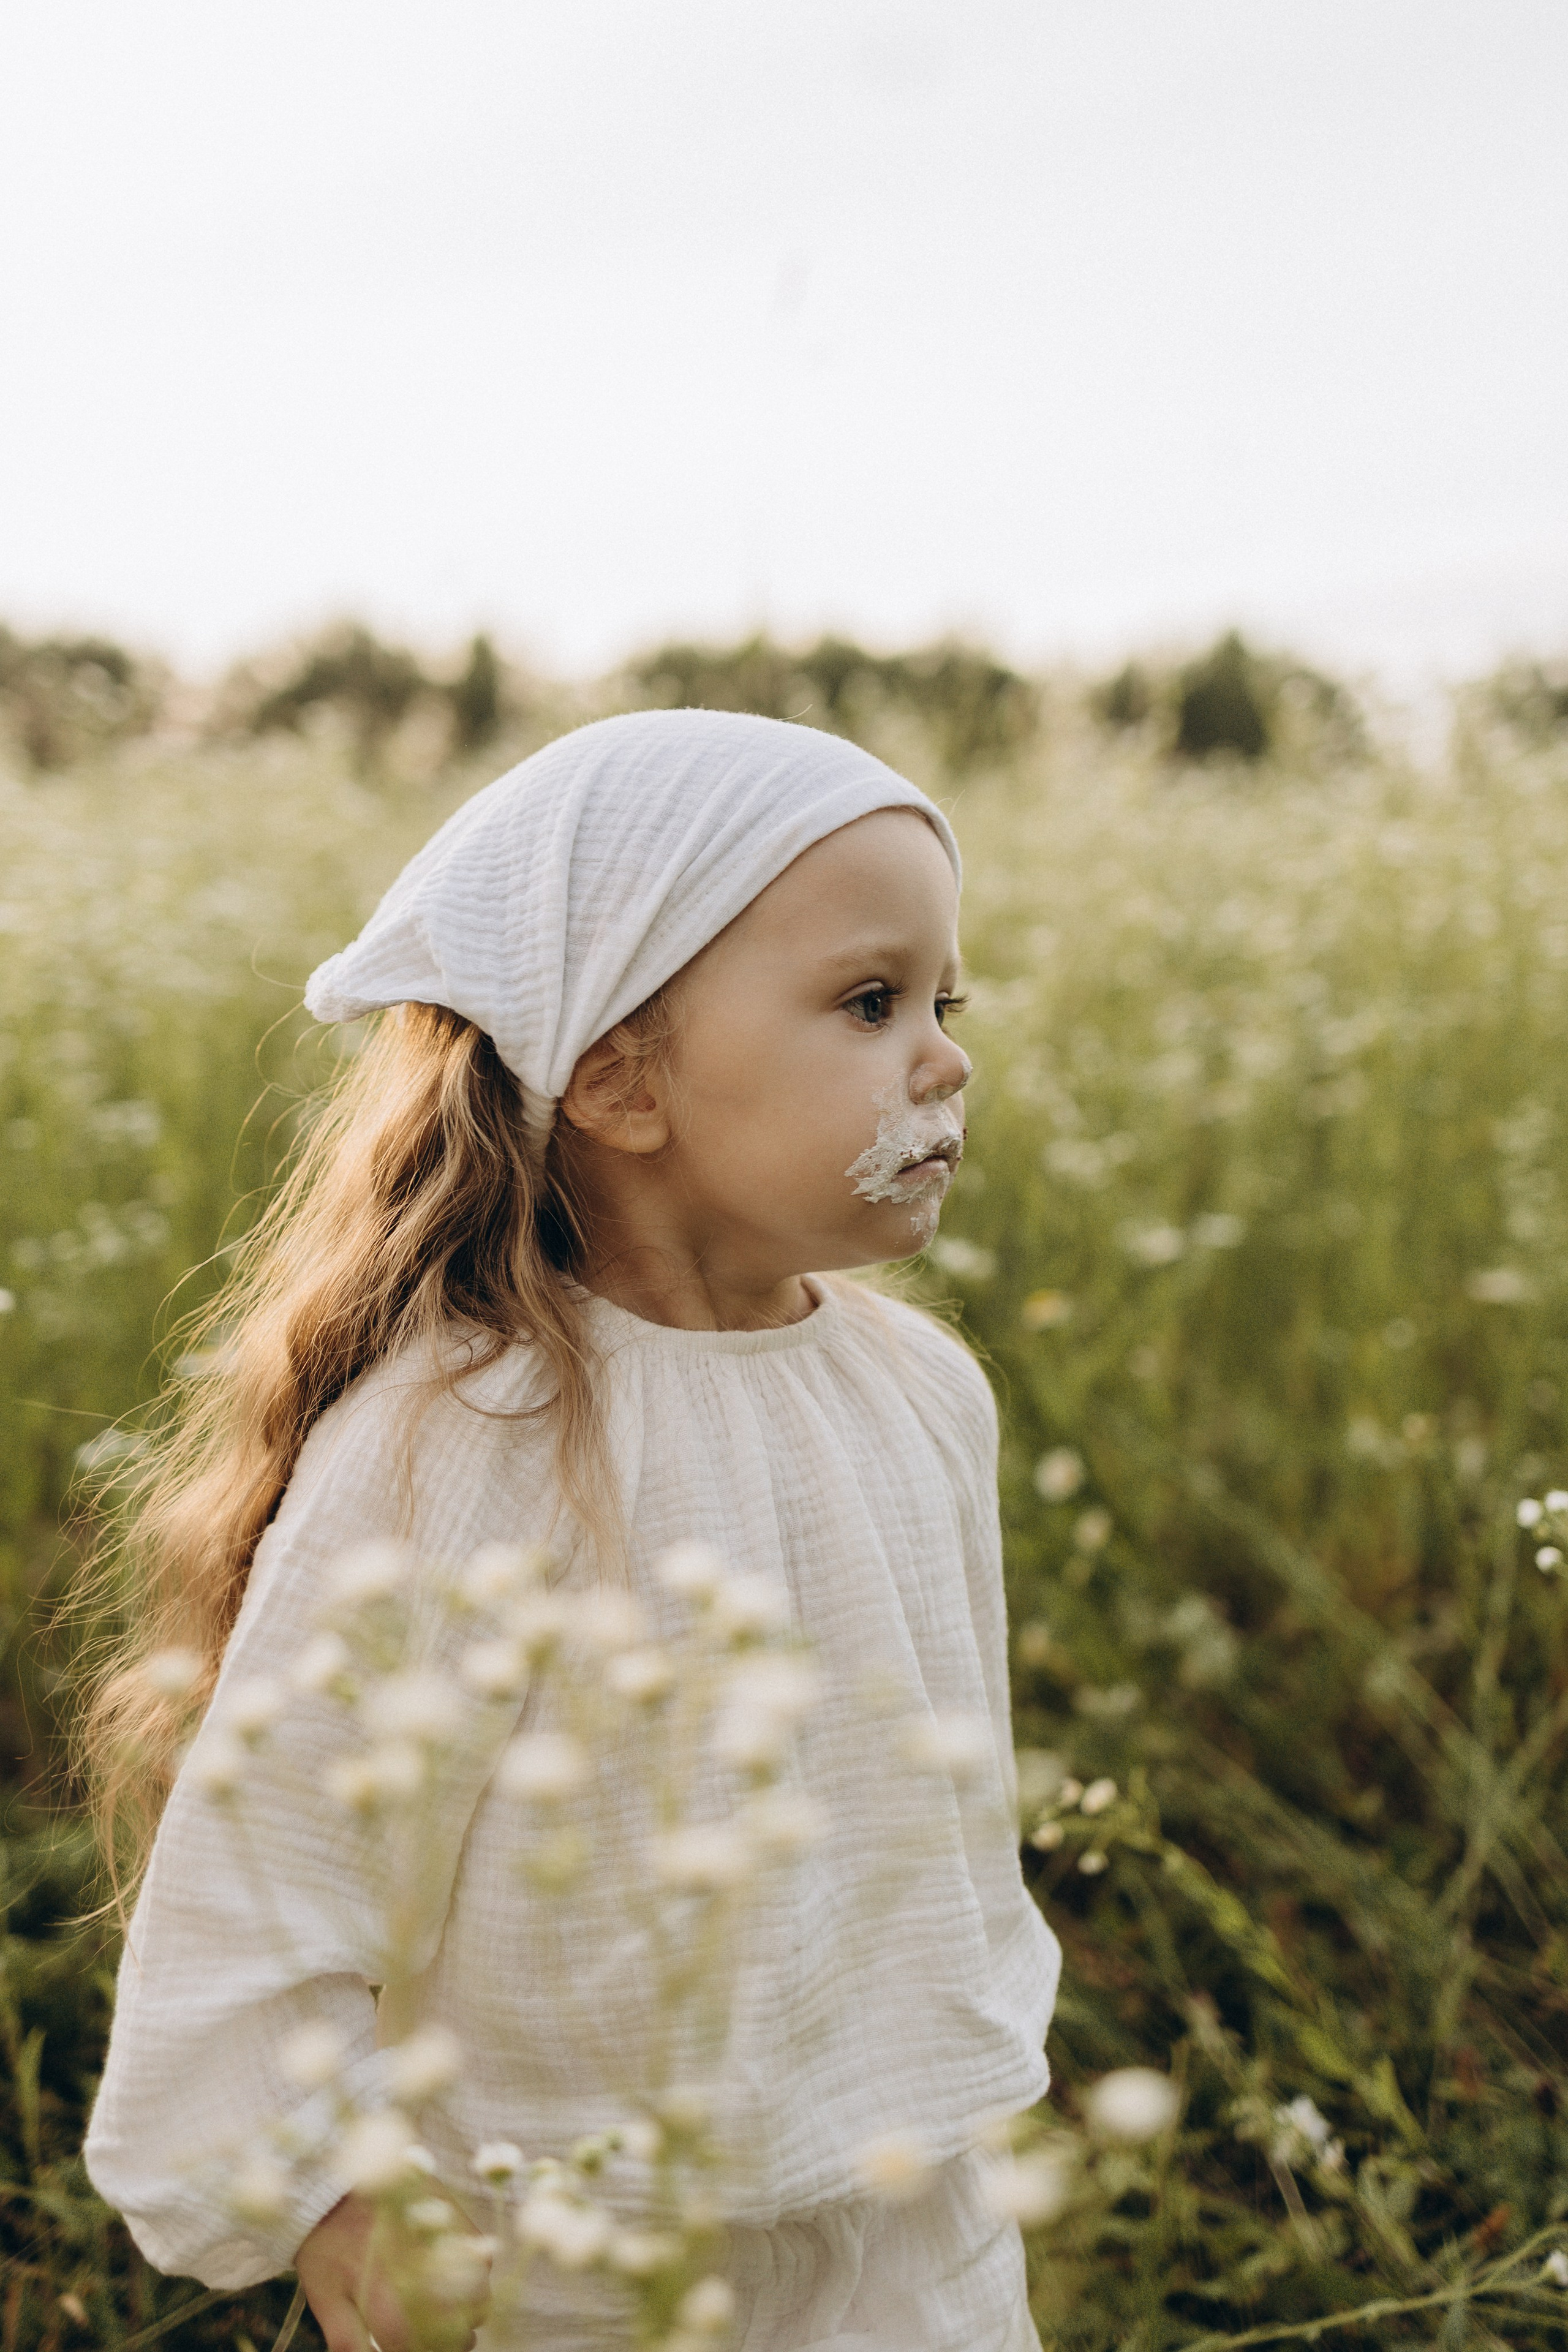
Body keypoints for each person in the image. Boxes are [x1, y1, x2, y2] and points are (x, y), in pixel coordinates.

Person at [81, 710, 1061, 2351]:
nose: (947, 1057)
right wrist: (330, 2193)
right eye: (872, 1001)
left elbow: (937, 1804)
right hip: (561, 2240)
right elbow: (278, 1864)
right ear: (620, 1075)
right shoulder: (461, 1437)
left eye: (945, 1004)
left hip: (914, 2215)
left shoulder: (926, 1391)